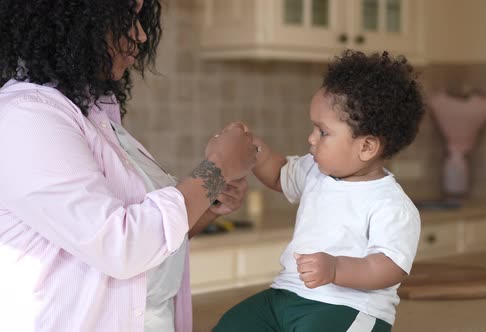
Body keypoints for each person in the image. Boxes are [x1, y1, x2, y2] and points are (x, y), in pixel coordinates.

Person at [0, 1, 257, 331]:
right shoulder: (27, 117)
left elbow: (146, 250)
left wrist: (206, 204)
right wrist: (215, 170)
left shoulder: (94, 115)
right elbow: (120, 247)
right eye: (125, 19)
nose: (141, 34)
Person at [213, 50, 425, 332]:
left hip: (348, 308)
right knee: (232, 325)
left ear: (366, 147)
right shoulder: (316, 171)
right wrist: (251, 147)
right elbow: (277, 173)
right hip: (287, 294)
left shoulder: (391, 205)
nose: (311, 139)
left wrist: (336, 269)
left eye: (322, 132)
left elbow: (388, 267)